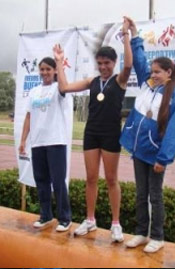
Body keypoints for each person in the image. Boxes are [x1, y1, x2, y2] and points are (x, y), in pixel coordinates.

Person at [53, 17, 132, 242]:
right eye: (100, 63)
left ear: (113, 63)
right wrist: (59, 62)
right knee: (90, 178)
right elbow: (65, 87)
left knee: (111, 179)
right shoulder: (92, 81)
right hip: (92, 133)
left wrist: (126, 35)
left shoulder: (120, 80)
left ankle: (116, 223)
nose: (103, 67)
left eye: (107, 63)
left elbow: (128, 65)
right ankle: (90, 220)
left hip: (111, 134)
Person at [120, 17, 175, 253]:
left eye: (158, 72)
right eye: (152, 71)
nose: (153, 74)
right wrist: (134, 33)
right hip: (139, 150)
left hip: (156, 155)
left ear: (169, 73)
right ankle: (141, 233)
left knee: (155, 196)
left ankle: (157, 237)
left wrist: (163, 157)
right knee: (140, 194)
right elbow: (139, 59)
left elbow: (174, 130)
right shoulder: (147, 84)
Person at [19, 57, 72, 232]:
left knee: (58, 181)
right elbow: (28, 116)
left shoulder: (59, 88)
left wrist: (59, 62)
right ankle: (46, 215)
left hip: (56, 140)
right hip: (38, 142)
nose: (45, 72)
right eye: (42, 69)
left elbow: (64, 87)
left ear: (55, 71)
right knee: (41, 181)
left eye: (48, 69)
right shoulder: (34, 91)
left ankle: (65, 218)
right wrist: (23, 140)